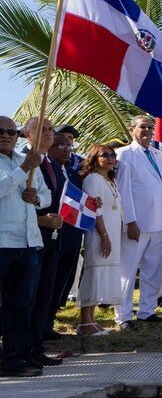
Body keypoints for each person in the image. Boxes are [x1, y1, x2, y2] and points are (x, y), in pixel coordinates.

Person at [0, 115, 50, 377]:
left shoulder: (27, 162)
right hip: (1, 243)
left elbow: (46, 195)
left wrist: (37, 197)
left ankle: (14, 359)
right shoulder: (26, 164)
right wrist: (23, 171)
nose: (6, 135)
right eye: (1, 131)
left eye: (12, 131)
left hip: (28, 243)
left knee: (20, 306)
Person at [115, 115, 162, 328]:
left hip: (158, 222)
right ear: (132, 130)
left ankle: (147, 311)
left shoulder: (158, 155)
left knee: (153, 270)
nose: (147, 130)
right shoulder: (124, 154)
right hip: (136, 224)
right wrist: (130, 221)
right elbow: (123, 190)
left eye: (150, 127)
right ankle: (123, 315)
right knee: (128, 271)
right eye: (143, 127)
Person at [27, 119, 66, 366]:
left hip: (53, 238)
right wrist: (41, 220)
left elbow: (47, 197)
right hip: (30, 238)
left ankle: (35, 348)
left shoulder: (50, 163)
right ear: (28, 134)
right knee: (27, 299)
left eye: (51, 129)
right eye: (42, 129)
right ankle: (21, 350)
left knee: (44, 296)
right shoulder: (24, 162)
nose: (49, 133)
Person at [78, 144, 124, 335]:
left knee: (104, 272)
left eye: (112, 155)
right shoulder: (93, 179)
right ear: (94, 158)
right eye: (105, 155)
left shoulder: (110, 180)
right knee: (94, 272)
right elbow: (94, 210)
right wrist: (104, 236)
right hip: (98, 233)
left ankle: (92, 320)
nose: (110, 158)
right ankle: (84, 321)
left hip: (111, 231)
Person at [47, 132, 84, 336]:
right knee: (48, 282)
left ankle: (49, 321)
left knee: (63, 279)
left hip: (71, 234)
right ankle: (41, 325)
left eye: (69, 146)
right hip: (51, 236)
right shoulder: (46, 169)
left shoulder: (71, 172)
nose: (67, 149)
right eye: (62, 145)